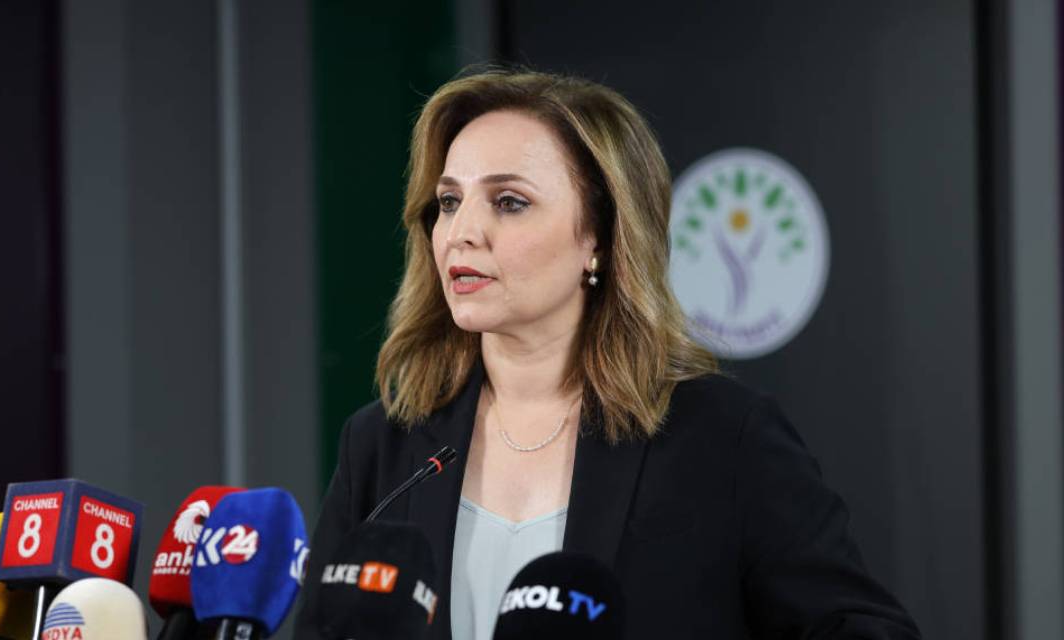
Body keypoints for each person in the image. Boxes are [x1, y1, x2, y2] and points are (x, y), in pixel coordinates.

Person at [294, 68, 920, 639]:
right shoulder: (382, 447)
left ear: (598, 235)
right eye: (449, 201)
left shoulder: (725, 439)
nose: (461, 232)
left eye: (508, 202)